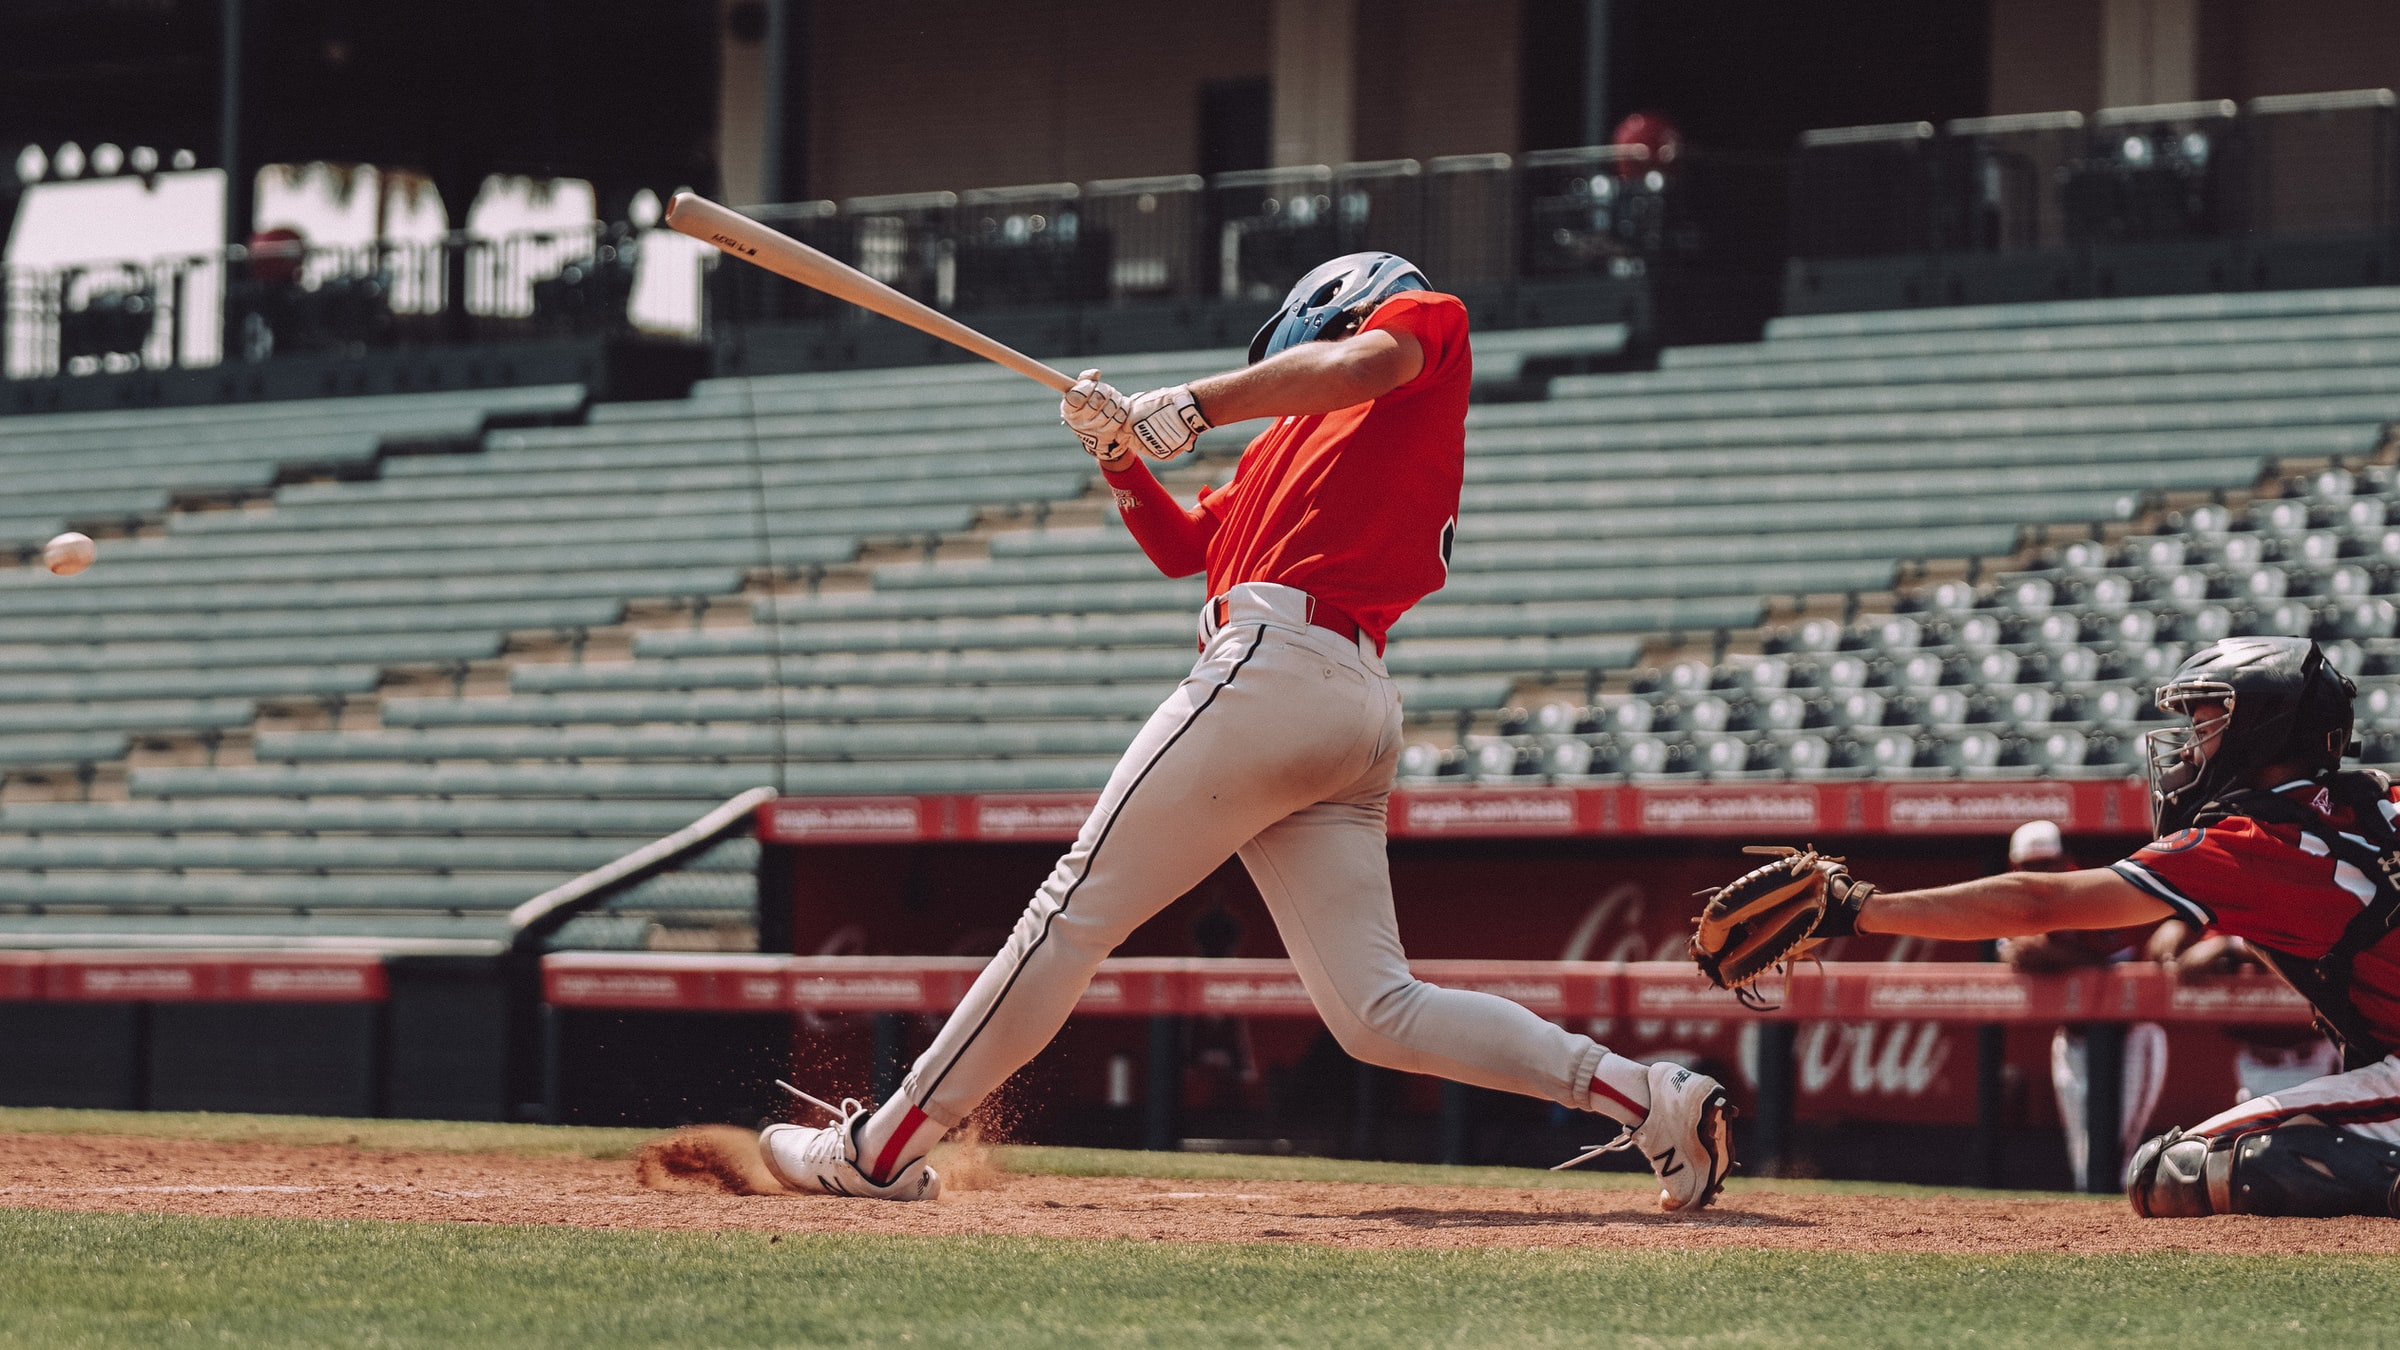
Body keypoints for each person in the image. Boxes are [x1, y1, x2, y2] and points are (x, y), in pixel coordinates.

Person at [757, 253, 1736, 1211]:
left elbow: (1356, 367)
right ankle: (1648, 1096)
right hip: (1340, 705)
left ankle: (879, 1149)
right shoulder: (1287, 447)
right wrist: (1115, 453)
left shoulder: (1418, 324)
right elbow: (1186, 546)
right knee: (1377, 1012)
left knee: (1070, 912)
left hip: (1279, 673)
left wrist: (1192, 401)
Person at [1729, 636, 2400, 1216]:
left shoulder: (2257, 837)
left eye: (2208, 722)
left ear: (2267, 728)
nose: (2190, 745)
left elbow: (2038, 905)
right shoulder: (2373, 794)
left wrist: (1862, 909)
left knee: (2173, 1171)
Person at [1994, 819, 2171, 1191]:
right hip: (2073, 1041)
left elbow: (2119, 964)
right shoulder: (2011, 898)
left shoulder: (2092, 890)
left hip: (2130, 1039)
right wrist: (2055, 953)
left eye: (2046, 865)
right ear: (2016, 869)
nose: (2038, 875)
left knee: (2116, 1160)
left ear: (2064, 863)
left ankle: (2128, 1244)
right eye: (2029, 868)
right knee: (2084, 1163)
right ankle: (2093, 1242)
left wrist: (2055, 953)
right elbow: (2015, 952)